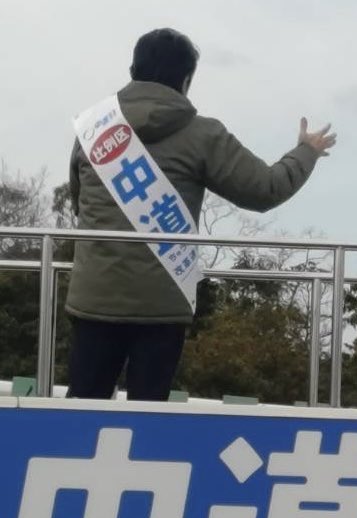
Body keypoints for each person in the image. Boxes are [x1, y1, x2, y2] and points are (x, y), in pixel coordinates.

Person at [67, 28, 336, 401]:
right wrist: (305, 153)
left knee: (82, 408)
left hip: (93, 297)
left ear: (133, 69)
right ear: (187, 80)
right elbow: (265, 190)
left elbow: (78, 200)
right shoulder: (203, 135)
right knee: (149, 419)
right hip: (162, 304)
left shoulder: (93, 128)